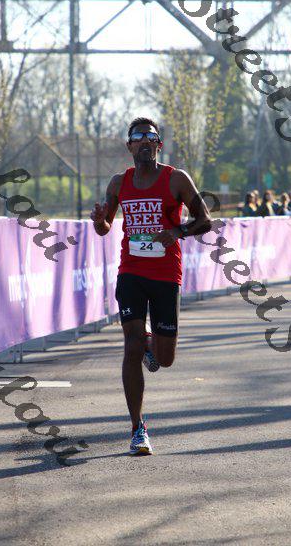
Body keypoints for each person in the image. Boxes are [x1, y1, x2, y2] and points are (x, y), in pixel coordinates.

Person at [90, 117, 212, 456]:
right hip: (131, 271)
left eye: (151, 137)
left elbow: (205, 220)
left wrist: (177, 232)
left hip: (165, 275)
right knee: (130, 346)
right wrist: (99, 221)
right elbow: (105, 227)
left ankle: (149, 342)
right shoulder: (119, 182)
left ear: (159, 144)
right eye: (138, 137)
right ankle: (137, 429)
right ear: (129, 145)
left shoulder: (176, 179)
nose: (145, 141)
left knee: (165, 358)